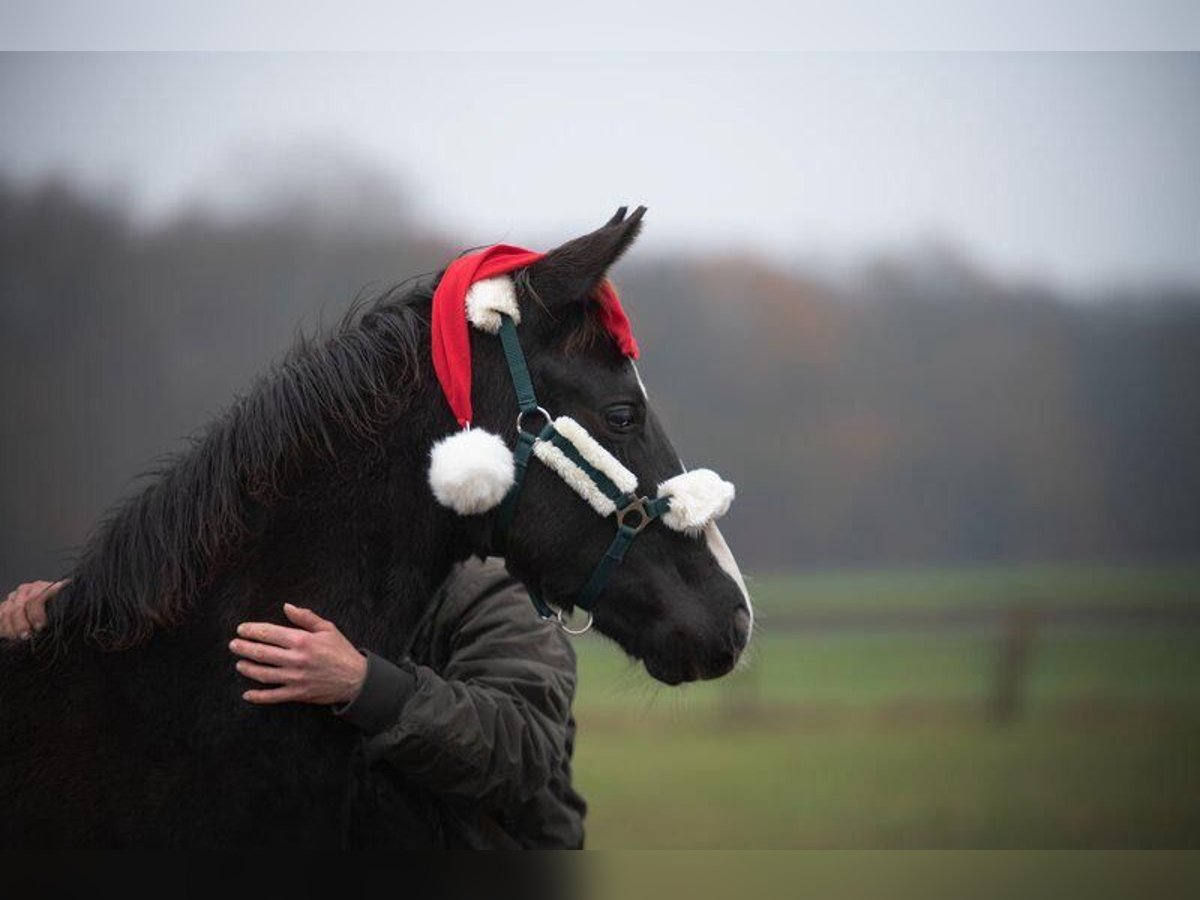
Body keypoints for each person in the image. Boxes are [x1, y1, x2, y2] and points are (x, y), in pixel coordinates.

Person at [0, 558, 586, 849]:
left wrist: (363, 685)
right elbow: (176, 646)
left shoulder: (498, 590)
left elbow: (520, 749)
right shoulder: (280, 571)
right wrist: (74, 621)